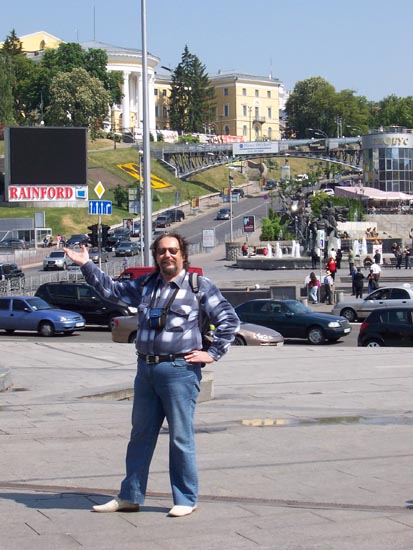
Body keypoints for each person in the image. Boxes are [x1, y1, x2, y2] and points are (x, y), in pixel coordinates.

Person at [64, 233, 240, 517]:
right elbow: (111, 291)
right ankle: (130, 496)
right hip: (145, 369)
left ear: (183, 254)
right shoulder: (146, 285)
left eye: (172, 250)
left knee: (180, 437)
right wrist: (86, 264)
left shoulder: (199, 286)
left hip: (179, 371)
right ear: (155, 255)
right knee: (140, 436)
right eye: (161, 251)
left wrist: (213, 353)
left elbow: (229, 320)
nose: (166, 256)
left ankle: (185, 498)